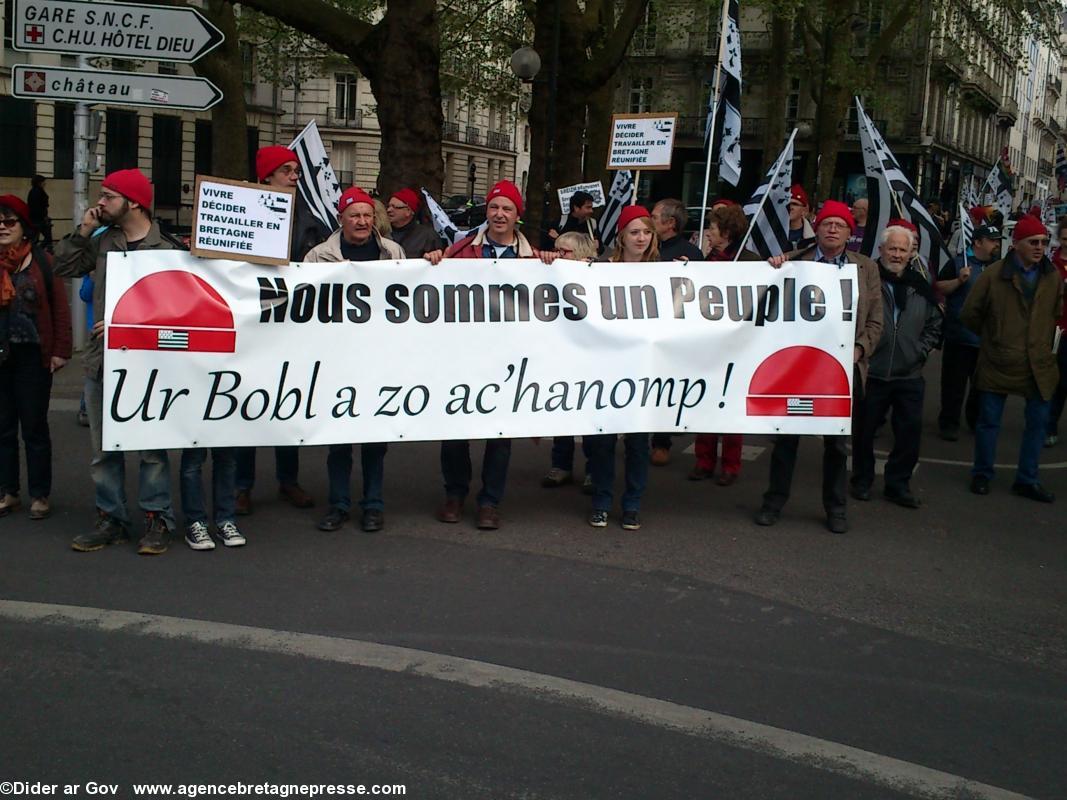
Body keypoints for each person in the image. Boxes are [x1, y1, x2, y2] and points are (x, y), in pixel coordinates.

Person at [53, 168, 180, 554]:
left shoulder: (167, 250)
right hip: (102, 361)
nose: (100, 202)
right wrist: (83, 231)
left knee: (151, 447)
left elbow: (176, 312)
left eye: (109, 196)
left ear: (134, 202)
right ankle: (111, 518)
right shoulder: (102, 241)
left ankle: (157, 518)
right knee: (103, 448)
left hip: (148, 364)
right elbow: (62, 267)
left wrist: (126, 326)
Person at [427, 180, 557, 530]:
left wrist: (553, 262)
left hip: (509, 360)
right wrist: (434, 262)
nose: (499, 214)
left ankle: (489, 501)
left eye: (507, 209)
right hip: (464, 356)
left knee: (499, 434)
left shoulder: (532, 258)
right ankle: (455, 494)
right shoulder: (461, 251)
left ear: (517, 216)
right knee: (455, 429)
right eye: (494, 207)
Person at [754, 200, 883, 534]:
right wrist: (772, 267)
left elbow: (875, 320)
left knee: (837, 443)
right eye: (827, 224)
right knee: (786, 438)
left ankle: (836, 508)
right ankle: (773, 502)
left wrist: (859, 349)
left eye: (840, 225)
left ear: (849, 233)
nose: (833, 229)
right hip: (798, 368)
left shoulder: (866, 268)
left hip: (839, 371)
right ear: (818, 228)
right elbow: (766, 297)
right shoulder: (794, 262)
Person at [233, 146, 327, 516]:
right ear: (266, 177)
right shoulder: (241, 213)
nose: (294, 177)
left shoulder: (309, 220)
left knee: (287, 404)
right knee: (246, 405)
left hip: (291, 325)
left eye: (296, 171)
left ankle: (288, 479)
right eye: (286, 170)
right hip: (251, 323)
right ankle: (242, 485)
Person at [307, 187, 406, 532]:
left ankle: (373, 505)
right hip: (337, 360)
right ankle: (338, 504)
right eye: (355, 216)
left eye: (367, 215)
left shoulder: (392, 252)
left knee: (374, 441)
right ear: (341, 219)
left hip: (378, 359)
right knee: (339, 441)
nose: (362, 221)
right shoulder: (318, 256)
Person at [962, 215, 1063, 502]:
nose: (1039, 247)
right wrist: (995, 336)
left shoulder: (1052, 276)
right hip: (999, 359)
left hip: (1038, 363)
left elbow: (1056, 311)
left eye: (1043, 242)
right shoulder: (994, 275)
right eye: (1033, 242)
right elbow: (970, 313)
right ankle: (982, 473)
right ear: (1016, 244)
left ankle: (1027, 479)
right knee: (989, 422)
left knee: (1037, 424)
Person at [850, 226, 942, 508]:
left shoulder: (920, 286)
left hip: (909, 373)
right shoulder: (866, 281)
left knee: (908, 434)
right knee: (863, 433)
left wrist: (920, 351)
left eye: (903, 249)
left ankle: (898, 485)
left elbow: (935, 323)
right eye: (892, 248)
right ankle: (862, 480)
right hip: (872, 371)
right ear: (881, 250)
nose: (897, 254)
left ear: (911, 253)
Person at [0, 195, 71, 521]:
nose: (2, 227)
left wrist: (60, 350)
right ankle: (8, 491)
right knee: (3, 428)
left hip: (33, 356)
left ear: (24, 227)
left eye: (9, 221)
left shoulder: (42, 262)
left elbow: (60, 309)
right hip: (2, 355)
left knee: (34, 427)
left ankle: (40, 494)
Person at [587, 206, 656, 531]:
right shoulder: (600, 270)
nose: (641, 238)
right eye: (634, 232)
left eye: (647, 232)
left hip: (644, 367)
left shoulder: (663, 272)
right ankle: (601, 501)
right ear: (621, 236)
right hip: (607, 366)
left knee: (638, 442)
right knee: (602, 440)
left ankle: (632, 504)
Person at [690, 203, 748, 485]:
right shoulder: (706, 260)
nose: (708, 233)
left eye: (712, 228)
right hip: (707, 344)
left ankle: (731, 465)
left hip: (737, 346)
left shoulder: (748, 262)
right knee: (706, 403)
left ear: (726, 232)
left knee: (731, 407)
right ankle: (704, 460)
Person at [542, 232, 598, 492]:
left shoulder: (597, 276)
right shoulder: (551, 273)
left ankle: (593, 469)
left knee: (590, 416)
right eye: (556, 249)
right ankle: (561, 465)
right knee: (562, 412)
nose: (557, 254)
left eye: (563, 251)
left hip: (590, 355)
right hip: (562, 354)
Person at [935, 224, 1001, 440]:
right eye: (992, 240)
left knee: (981, 386)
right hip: (960, 337)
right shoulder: (958, 263)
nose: (996, 245)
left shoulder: (998, 267)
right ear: (978, 242)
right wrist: (958, 281)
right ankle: (949, 423)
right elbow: (939, 286)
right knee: (953, 386)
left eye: (997, 241)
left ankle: (975, 420)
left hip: (985, 339)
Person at [1046, 218, 1067, 446]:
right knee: (1054, 380)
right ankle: (1047, 425)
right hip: (1054, 329)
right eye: (1065, 238)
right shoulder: (1051, 264)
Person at [385, 188, 444, 258]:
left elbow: (437, 260)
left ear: (408, 211)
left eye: (395, 207)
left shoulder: (427, 236)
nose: (389, 210)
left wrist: (432, 256)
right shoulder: (382, 232)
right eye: (388, 206)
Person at [26, 175, 52, 249]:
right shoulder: (37, 192)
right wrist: (44, 216)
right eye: (43, 182)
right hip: (38, 219)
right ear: (39, 183)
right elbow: (37, 206)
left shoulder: (35, 191)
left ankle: (37, 250)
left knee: (38, 238)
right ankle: (37, 250)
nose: (44, 183)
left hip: (37, 218)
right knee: (44, 237)